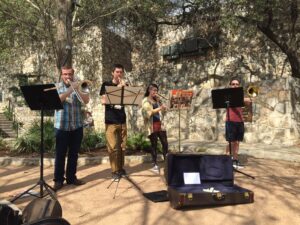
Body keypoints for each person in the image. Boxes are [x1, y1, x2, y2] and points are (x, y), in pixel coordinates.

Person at [53, 67, 90, 191]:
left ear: (73, 74)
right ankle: (58, 180)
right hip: (61, 126)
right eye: (65, 74)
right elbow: (58, 100)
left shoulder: (80, 85)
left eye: (69, 74)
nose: (67, 76)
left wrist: (77, 89)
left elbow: (86, 101)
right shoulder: (56, 86)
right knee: (60, 154)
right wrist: (70, 89)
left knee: (74, 154)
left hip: (77, 125)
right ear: (61, 75)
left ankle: (71, 177)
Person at [100, 64, 127, 180]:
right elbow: (103, 100)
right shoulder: (106, 84)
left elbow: (130, 99)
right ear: (113, 73)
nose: (119, 74)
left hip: (122, 119)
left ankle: (121, 168)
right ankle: (114, 171)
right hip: (110, 120)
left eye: (121, 72)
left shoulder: (125, 85)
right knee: (112, 147)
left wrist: (125, 88)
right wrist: (118, 89)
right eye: (117, 72)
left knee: (122, 146)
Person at [141, 84, 169, 173]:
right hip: (152, 125)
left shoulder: (157, 100)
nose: (155, 92)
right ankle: (155, 164)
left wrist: (163, 107)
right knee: (154, 145)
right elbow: (148, 113)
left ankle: (167, 162)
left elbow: (163, 112)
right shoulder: (145, 100)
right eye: (153, 90)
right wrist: (160, 108)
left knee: (165, 143)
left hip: (160, 124)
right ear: (149, 90)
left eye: (156, 90)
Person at [225, 78, 251, 168]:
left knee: (237, 142)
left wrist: (249, 100)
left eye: (236, 84)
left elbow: (247, 104)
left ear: (239, 85)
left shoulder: (240, 94)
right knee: (230, 142)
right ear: (230, 85)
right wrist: (244, 99)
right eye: (233, 84)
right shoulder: (228, 94)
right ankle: (226, 160)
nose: (235, 85)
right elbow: (236, 99)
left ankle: (235, 160)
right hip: (230, 120)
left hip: (240, 121)